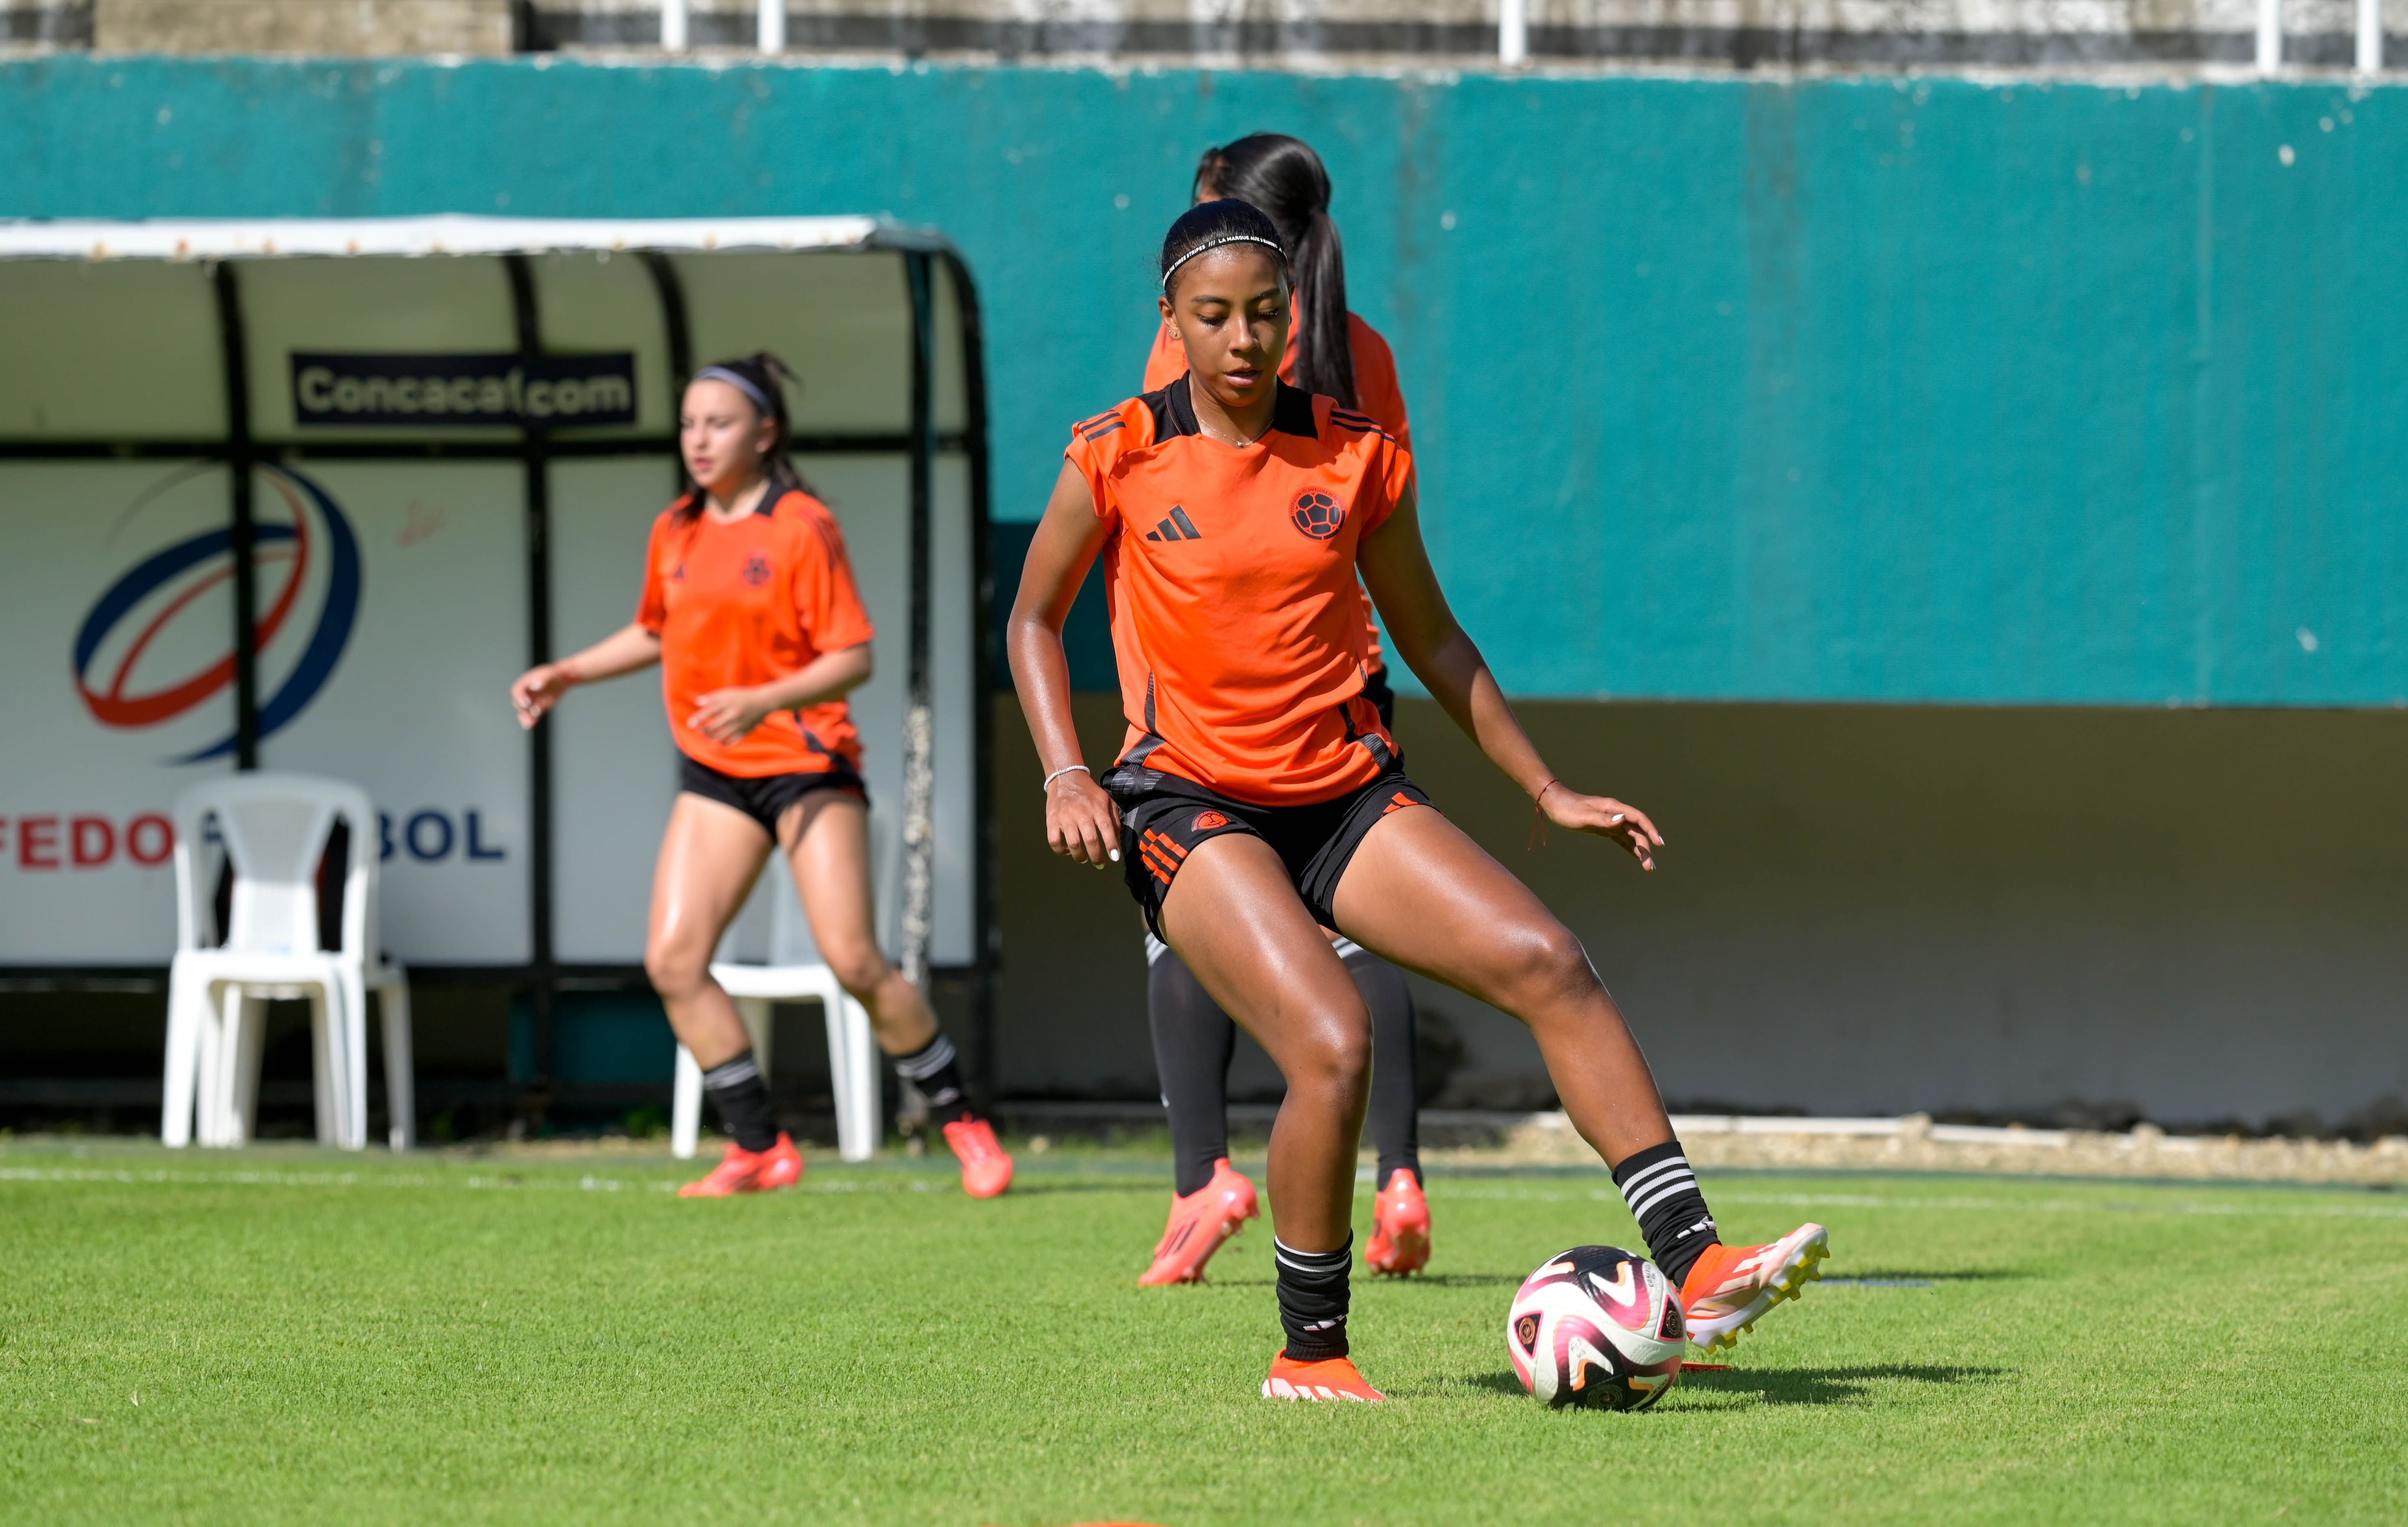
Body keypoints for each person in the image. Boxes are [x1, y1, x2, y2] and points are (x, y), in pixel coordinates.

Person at [1007, 200, 1828, 1401]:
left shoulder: (1354, 451)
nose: (1243, 338)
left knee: (1548, 959)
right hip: (1184, 802)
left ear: (1294, 317)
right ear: (1169, 320)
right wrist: (1065, 768)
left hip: (1343, 795)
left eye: (1265, 313)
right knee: (1332, 1038)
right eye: (1214, 316)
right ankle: (1311, 1352)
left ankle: (1697, 1264)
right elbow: (1031, 618)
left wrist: (1548, 786)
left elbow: (1435, 640)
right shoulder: (1115, 451)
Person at [512, 353, 1012, 1200]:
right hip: (717, 773)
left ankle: (963, 1120)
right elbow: (653, 631)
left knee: (853, 959)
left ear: (765, 433)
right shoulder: (676, 528)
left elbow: (853, 656)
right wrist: (569, 672)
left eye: (719, 423)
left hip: (808, 769)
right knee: (673, 960)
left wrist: (761, 700)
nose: (698, 440)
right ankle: (759, 1146)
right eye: (688, 424)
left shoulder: (801, 524)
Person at [1134, 134, 1432, 1288]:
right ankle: (1398, 1169)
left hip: (1216, 678)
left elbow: (1156, 472)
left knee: (1180, 912)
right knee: (1361, 920)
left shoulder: (1206, 325)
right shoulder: (1365, 348)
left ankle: (1200, 1174)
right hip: (1339, 673)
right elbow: (1394, 532)